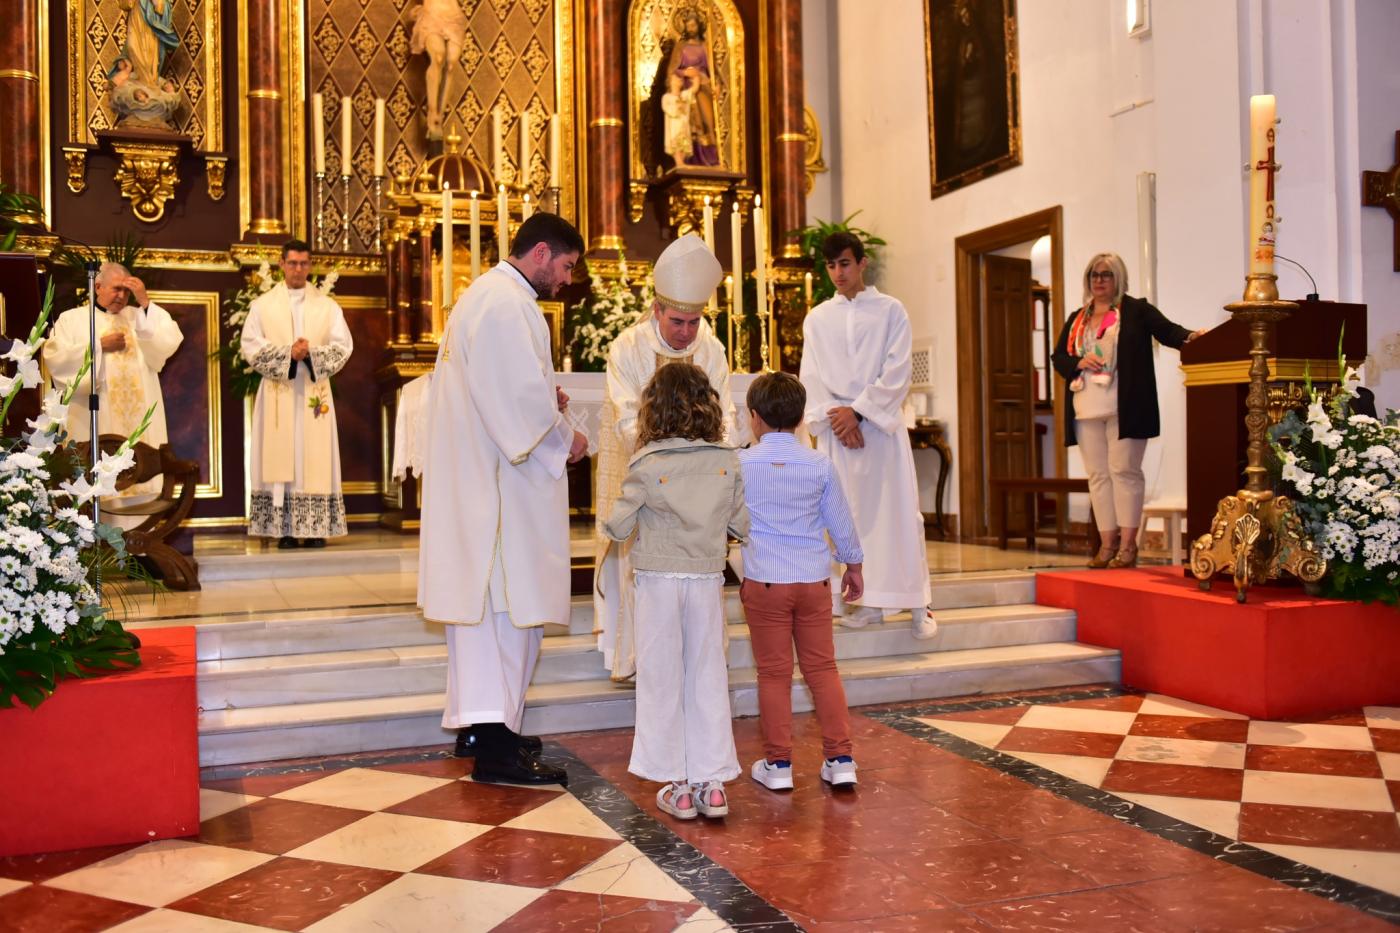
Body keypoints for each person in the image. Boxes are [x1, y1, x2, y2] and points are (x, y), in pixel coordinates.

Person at [418, 213, 588, 786]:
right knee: (506, 616)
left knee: (489, 618)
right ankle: (497, 748)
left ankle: (487, 729)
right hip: (499, 493)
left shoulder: (486, 297)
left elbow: (505, 391)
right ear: (540, 253)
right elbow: (519, 410)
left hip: (484, 482)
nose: (566, 279)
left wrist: (544, 399)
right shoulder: (506, 304)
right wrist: (567, 438)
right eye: (565, 266)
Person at [602, 362, 748, 820]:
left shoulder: (647, 463)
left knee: (662, 677)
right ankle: (713, 785)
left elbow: (618, 525)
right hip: (705, 578)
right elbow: (741, 524)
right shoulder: (727, 460)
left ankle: (679, 787)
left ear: (654, 409)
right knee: (707, 674)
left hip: (659, 579)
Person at [595, 233, 733, 681]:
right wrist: (669, 467)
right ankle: (639, 660)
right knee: (645, 575)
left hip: (701, 493)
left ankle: (699, 665)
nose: (687, 332)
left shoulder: (710, 348)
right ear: (657, 309)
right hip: (650, 489)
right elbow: (627, 417)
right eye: (677, 321)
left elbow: (726, 413)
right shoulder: (628, 347)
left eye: (694, 321)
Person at [799, 232, 936, 639]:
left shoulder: (891, 310)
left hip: (878, 430)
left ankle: (917, 603)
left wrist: (858, 413)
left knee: (897, 515)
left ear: (862, 263)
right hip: (838, 433)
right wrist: (838, 417)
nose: (837, 273)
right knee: (847, 519)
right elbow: (811, 376)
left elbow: (898, 371)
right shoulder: (817, 318)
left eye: (844, 263)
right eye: (830, 266)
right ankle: (864, 603)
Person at [739, 372, 865, 791]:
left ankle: (778, 766)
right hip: (813, 582)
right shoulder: (818, 463)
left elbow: (729, 521)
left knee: (773, 674)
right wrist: (853, 565)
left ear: (754, 417)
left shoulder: (740, 464)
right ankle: (841, 759)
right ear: (799, 419)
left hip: (765, 582)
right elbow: (840, 522)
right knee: (823, 669)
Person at [1051, 252, 1205, 569]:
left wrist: (1192, 337)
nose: (1099, 280)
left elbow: (1168, 331)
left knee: (1124, 472)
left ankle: (1128, 546)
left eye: (1106, 274)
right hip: (1085, 407)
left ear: (1118, 278)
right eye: (1093, 274)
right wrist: (1078, 362)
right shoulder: (1078, 318)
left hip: (1126, 407)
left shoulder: (1136, 310)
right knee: (1098, 477)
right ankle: (1107, 545)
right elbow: (1059, 357)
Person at [44, 262, 183, 526]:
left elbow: (167, 342)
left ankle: (136, 544)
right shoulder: (73, 320)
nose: (121, 296)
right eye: (116, 289)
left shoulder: (138, 317)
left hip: (138, 425)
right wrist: (98, 346)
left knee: (139, 494)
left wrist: (145, 302)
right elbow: (56, 359)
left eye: (127, 291)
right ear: (97, 286)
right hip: (95, 420)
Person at [241, 240, 353, 550]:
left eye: (304, 263)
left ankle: (316, 529)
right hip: (278, 392)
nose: (298, 269)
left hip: (314, 391)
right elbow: (250, 344)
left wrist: (310, 354)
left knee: (313, 457)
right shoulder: (262, 305)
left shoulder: (327, 307)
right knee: (282, 458)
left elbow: (343, 345)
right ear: (281, 264)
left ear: (310, 265)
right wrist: (287, 354)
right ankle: (285, 530)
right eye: (292, 263)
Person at [665, 13, 719, 166]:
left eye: (693, 25)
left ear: (699, 26)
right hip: (685, 87)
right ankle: (692, 158)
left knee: (708, 122)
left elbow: (713, 71)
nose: (690, 29)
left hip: (703, 86)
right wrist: (685, 73)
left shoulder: (704, 46)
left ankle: (710, 157)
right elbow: (671, 71)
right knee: (690, 124)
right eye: (688, 26)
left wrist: (717, 85)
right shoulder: (680, 47)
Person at [410, 0, 468, 138]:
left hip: (453, 16)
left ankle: (439, 116)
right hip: (432, 13)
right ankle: (432, 112)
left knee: (451, 64)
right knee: (438, 56)